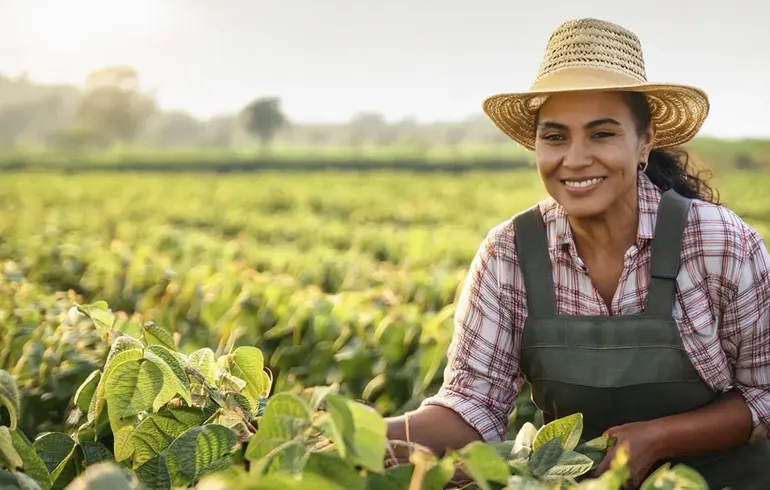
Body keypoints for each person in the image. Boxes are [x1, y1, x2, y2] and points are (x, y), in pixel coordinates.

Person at [385, 17, 770, 490]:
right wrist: (356, 437)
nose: (575, 157)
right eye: (555, 136)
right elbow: (472, 406)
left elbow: (764, 395)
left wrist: (658, 438)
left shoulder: (718, 244)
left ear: (645, 140)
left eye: (602, 133)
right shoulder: (509, 253)